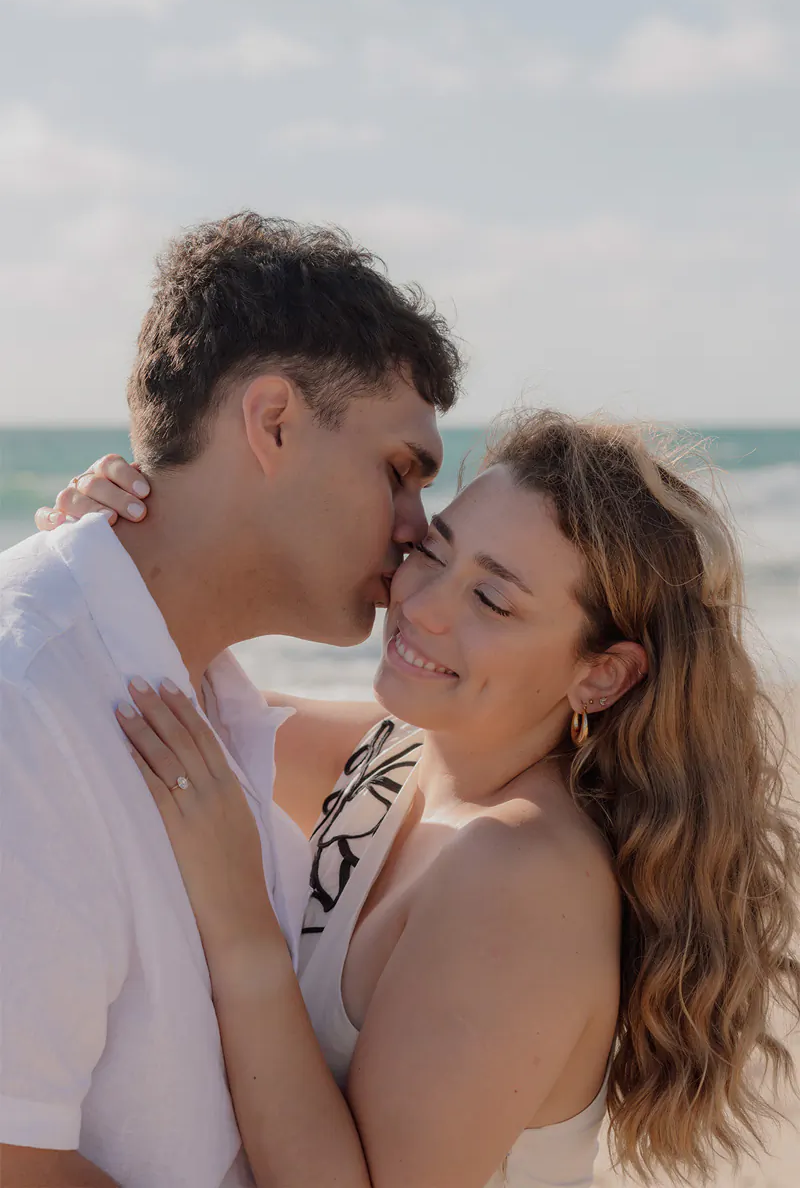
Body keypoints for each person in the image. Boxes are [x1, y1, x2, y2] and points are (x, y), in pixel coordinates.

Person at [43, 410, 800, 1187]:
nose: (425, 606)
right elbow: (158, 701)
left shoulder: (520, 878)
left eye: (493, 602)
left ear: (601, 674)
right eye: (431, 553)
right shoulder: (400, 755)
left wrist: (240, 925)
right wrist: (117, 550)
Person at [0, 211, 462, 1188]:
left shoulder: (192, 687)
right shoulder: (29, 708)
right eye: (399, 472)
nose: (419, 533)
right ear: (273, 423)